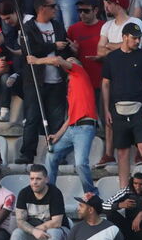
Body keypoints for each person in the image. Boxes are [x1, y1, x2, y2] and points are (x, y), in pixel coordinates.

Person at [101, 23, 142, 187]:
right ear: (124, 37)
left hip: (139, 107)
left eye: (139, 38)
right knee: (122, 151)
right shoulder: (112, 58)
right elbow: (105, 84)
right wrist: (106, 110)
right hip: (118, 108)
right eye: (134, 38)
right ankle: (123, 189)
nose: (137, 41)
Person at [16, 0, 69, 164]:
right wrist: (53, 46)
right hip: (35, 81)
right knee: (32, 118)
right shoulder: (28, 28)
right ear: (41, 8)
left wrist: (70, 48)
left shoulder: (58, 26)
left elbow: (64, 49)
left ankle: (58, 153)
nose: (55, 9)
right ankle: (27, 153)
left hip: (57, 80)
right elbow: (29, 51)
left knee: (57, 120)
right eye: (52, 6)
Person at [42, 57, 99, 194]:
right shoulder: (71, 87)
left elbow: (59, 60)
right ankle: (50, 193)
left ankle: (91, 194)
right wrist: (57, 135)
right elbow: (70, 117)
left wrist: (36, 60)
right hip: (72, 128)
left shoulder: (80, 72)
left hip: (85, 127)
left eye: (72, 60)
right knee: (52, 155)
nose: (69, 61)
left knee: (80, 163)